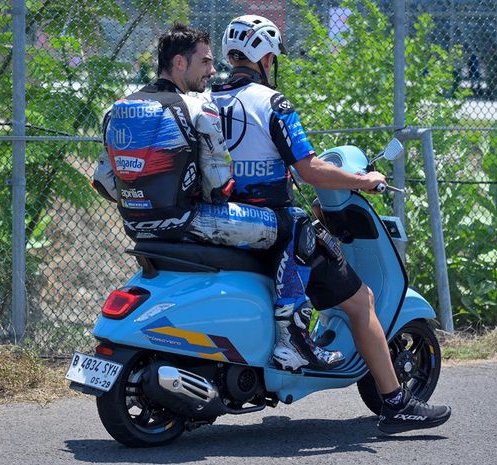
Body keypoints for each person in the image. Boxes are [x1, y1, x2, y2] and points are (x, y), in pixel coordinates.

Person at [212, 14, 451, 434]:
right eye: (273, 56)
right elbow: (311, 171)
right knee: (360, 302)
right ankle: (396, 403)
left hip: (229, 220)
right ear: (266, 57)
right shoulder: (272, 103)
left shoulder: (208, 99)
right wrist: (365, 181)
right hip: (276, 223)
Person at [92, 23, 344, 371]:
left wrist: (145, 200)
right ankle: (293, 340)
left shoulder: (117, 109)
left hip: (137, 226)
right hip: (188, 221)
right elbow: (218, 186)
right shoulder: (197, 109)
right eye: (205, 62)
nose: (213, 71)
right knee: (297, 224)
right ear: (179, 63)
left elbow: (104, 182)